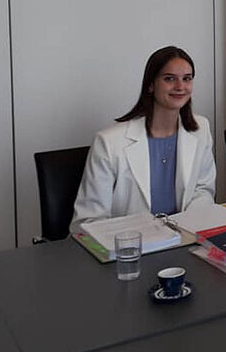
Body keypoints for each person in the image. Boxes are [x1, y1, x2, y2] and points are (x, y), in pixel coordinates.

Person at [71, 46, 216, 230]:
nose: (180, 87)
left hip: (184, 238)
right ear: (151, 84)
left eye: (187, 79)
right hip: (128, 245)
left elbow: (203, 190)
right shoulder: (109, 142)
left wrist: (185, 228)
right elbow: (89, 221)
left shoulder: (200, 129)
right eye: (169, 79)